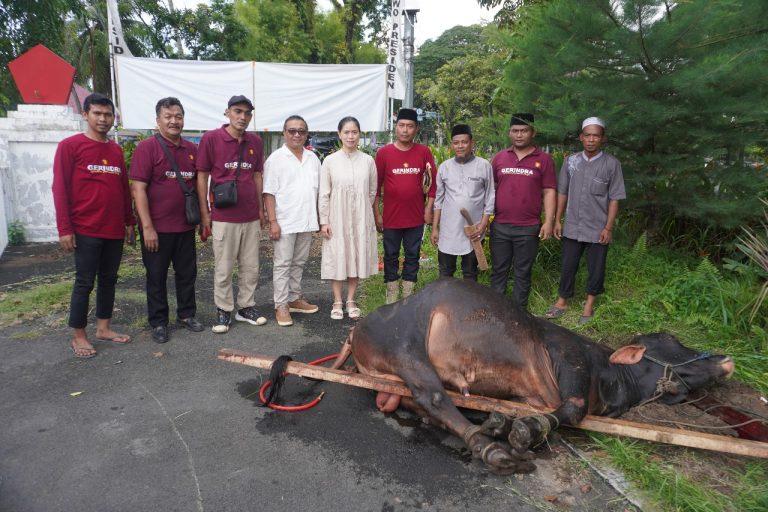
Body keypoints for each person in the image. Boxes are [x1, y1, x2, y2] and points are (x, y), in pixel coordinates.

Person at [52, 93, 135, 358]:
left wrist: (129, 222)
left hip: (113, 229)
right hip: (85, 228)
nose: (103, 119)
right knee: (84, 282)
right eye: (97, 113)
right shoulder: (70, 146)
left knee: (109, 280)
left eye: (107, 114)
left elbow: (123, 189)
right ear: (85, 115)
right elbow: (60, 188)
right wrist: (64, 228)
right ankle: (79, 335)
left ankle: (104, 328)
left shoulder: (115, 150)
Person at [130, 97, 204, 343]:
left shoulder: (192, 150)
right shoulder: (147, 148)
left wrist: (204, 219)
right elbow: (138, 189)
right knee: (156, 276)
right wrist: (147, 227)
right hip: (157, 230)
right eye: (168, 116)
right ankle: (159, 322)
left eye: (178, 116)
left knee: (187, 274)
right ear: (158, 120)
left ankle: (187, 314)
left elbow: (198, 188)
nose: (174, 121)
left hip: (184, 227)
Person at [196, 95, 267, 333]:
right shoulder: (211, 138)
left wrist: (260, 209)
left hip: (250, 215)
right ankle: (223, 310)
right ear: (227, 113)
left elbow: (257, 176)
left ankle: (246, 307)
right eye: (238, 111)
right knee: (224, 267)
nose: (243, 117)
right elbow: (202, 176)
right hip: (224, 216)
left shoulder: (255, 142)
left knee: (251, 266)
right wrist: (205, 211)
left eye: (247, 113)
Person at [545, 117, 626, 324]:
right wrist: (557, 220)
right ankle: (562, 301)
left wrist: (608, 227)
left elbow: (615, 197)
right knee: (568, 264)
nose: (591, 140)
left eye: (596, 136)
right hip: (573, 224)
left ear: (603, 139)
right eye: (587, 135)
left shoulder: (611, 164)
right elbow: (562, 192)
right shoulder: (571, 162)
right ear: (581, 137)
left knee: (596, 267)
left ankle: (589, 305)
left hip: (598, 227)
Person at [489, 113, 556, 310]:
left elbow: (549, 191)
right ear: (510, 133)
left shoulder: (543, 160)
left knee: (522, 272)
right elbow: (490, 190)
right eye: (515, 131)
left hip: (528, 228)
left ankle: (519, 313)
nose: (519, 135)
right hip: (500, 225)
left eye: (524, 131)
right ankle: (497, 311)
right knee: (499, 270)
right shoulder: (500, 158)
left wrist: (549, 221)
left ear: (532, 133)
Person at [374, 108, 437, 304]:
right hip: (391, 217)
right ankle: (391, 293)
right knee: (391, 254)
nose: (405, 130)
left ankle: (408, 294)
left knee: (413, 254)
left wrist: (428, 209)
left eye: (410, 126)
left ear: (416, 129)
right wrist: (377, 214)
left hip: (415, 217)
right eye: (401, 125)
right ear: (396, 127)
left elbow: (432, 185)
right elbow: (375, 187)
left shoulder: (424, 152)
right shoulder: (384, 153)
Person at [263, 115, 321, 327]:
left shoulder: (313, 158)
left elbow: (318, 191)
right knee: (283, 264)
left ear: (306, 134)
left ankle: (294, 298)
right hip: (285, 221)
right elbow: (268, 193)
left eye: (301, 131)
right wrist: (273, 221)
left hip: (306, 220)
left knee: (299, 262)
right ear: (284, 133)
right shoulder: (276, 159)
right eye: (292, 131)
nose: (297, 134)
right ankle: (281, 305)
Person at [319, 116, 378, 320]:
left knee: (355, 255)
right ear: (339, 134)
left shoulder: (368, 160)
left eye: (354, 132)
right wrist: (324, 220)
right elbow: (324, 193)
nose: (351, 136)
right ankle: (337, 300)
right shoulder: (330, 161)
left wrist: (362, 210)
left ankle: (351, 300)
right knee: (338, 256)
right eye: (346, 132)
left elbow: (372, 191)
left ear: (359, 134)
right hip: (337, 216)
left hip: (360, 217)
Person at [431, 124, 494, 281]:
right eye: (456, 142)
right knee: (445, 272)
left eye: (464, 142)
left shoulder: (484, 165)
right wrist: (434, 229)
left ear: (472, 143)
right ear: (452, 145)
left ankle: (469, 305)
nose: (460, 146)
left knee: (470, 273)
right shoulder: (445, 167)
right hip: (448, 229)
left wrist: (483, 225)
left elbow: (490, 196)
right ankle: (445, 303)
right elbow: (438, 200)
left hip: (473, 229)